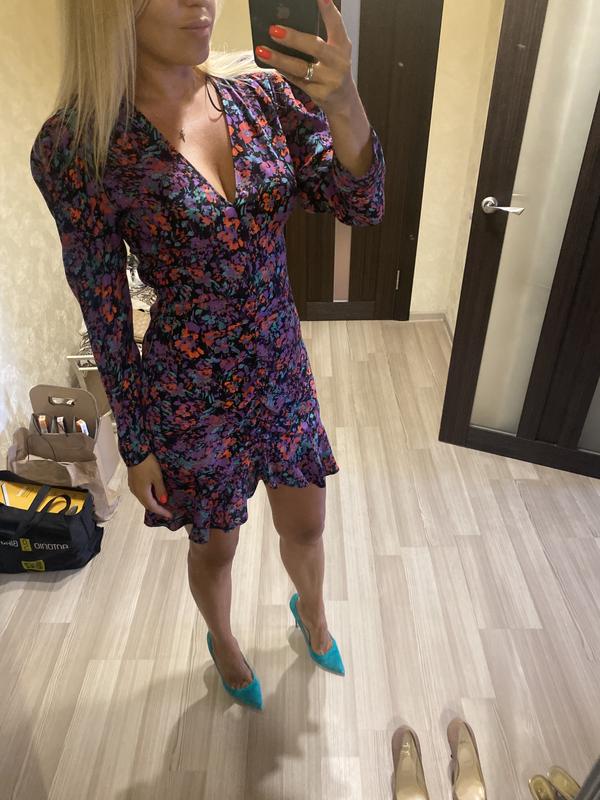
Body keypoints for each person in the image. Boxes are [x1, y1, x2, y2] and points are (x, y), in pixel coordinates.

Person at [30, 0, 385, 709]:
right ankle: (221, 639)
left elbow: (359, 203)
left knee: (307, 521)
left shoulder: (261, 95)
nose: (204, 2)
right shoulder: (78, 144)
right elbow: (103, 307)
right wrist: (136, 443)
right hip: (189, 390)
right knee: (215, 546)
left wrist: (345, 102)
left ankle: (313, 613)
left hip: (279, 365)